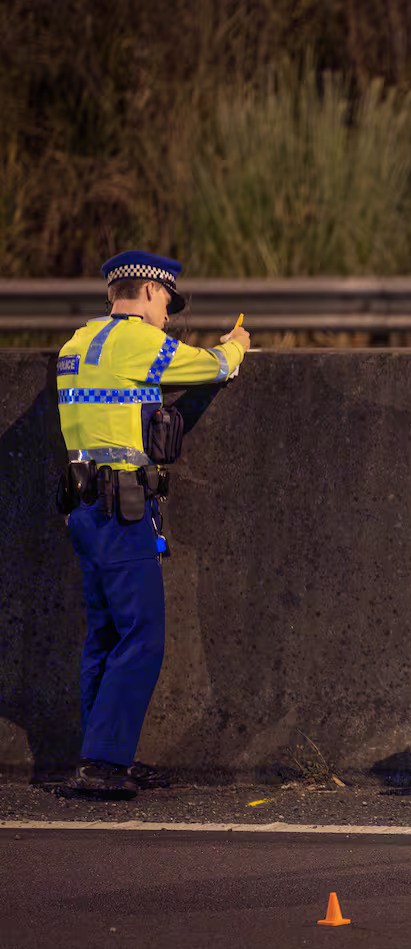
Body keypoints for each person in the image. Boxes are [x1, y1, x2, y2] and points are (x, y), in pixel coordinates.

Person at [56, 250, 250, 798]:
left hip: (83, 510)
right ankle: (103, 763)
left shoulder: (74, 347)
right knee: (143, 636)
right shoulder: (138, 342)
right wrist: (238, 344)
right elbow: (212, 366)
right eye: (167, 301)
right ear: (145, 291)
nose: (168, 314)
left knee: (105, 636)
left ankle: (99, 755)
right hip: (123, 512)